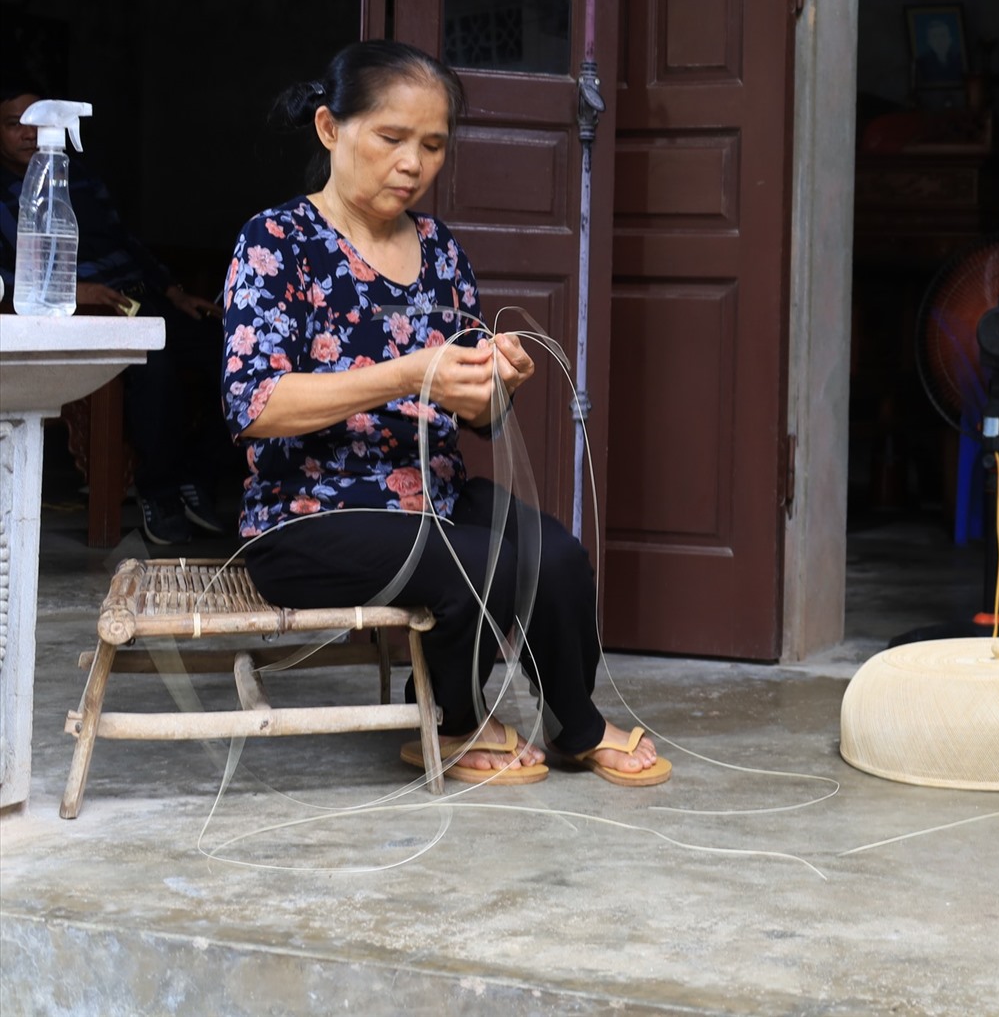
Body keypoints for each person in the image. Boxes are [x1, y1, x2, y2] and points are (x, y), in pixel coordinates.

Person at [224, 40, 666, 787]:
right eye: (391, 138)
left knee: (556, 557)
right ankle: (452, 718)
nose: (413, 163)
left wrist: (497, 382)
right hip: (307, 515)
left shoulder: (440, 250)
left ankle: (573, 723)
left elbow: (474, 413)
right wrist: (408, 372)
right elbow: (257, 404)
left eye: (432, 145)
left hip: (434, 495)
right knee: (468, 565)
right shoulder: (276, 243)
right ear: (331, 129)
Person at [0, 77, 230, 545]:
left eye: (35, 123)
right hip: (81, 306)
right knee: (154, 360)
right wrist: (77, 290)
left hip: (142, 296)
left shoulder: (78, 176)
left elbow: (126, 240)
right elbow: (7, 271)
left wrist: (173, 290)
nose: (27, 134)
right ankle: (160, 492)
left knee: (235, 356)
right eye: (12, 124)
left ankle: (196, 476)